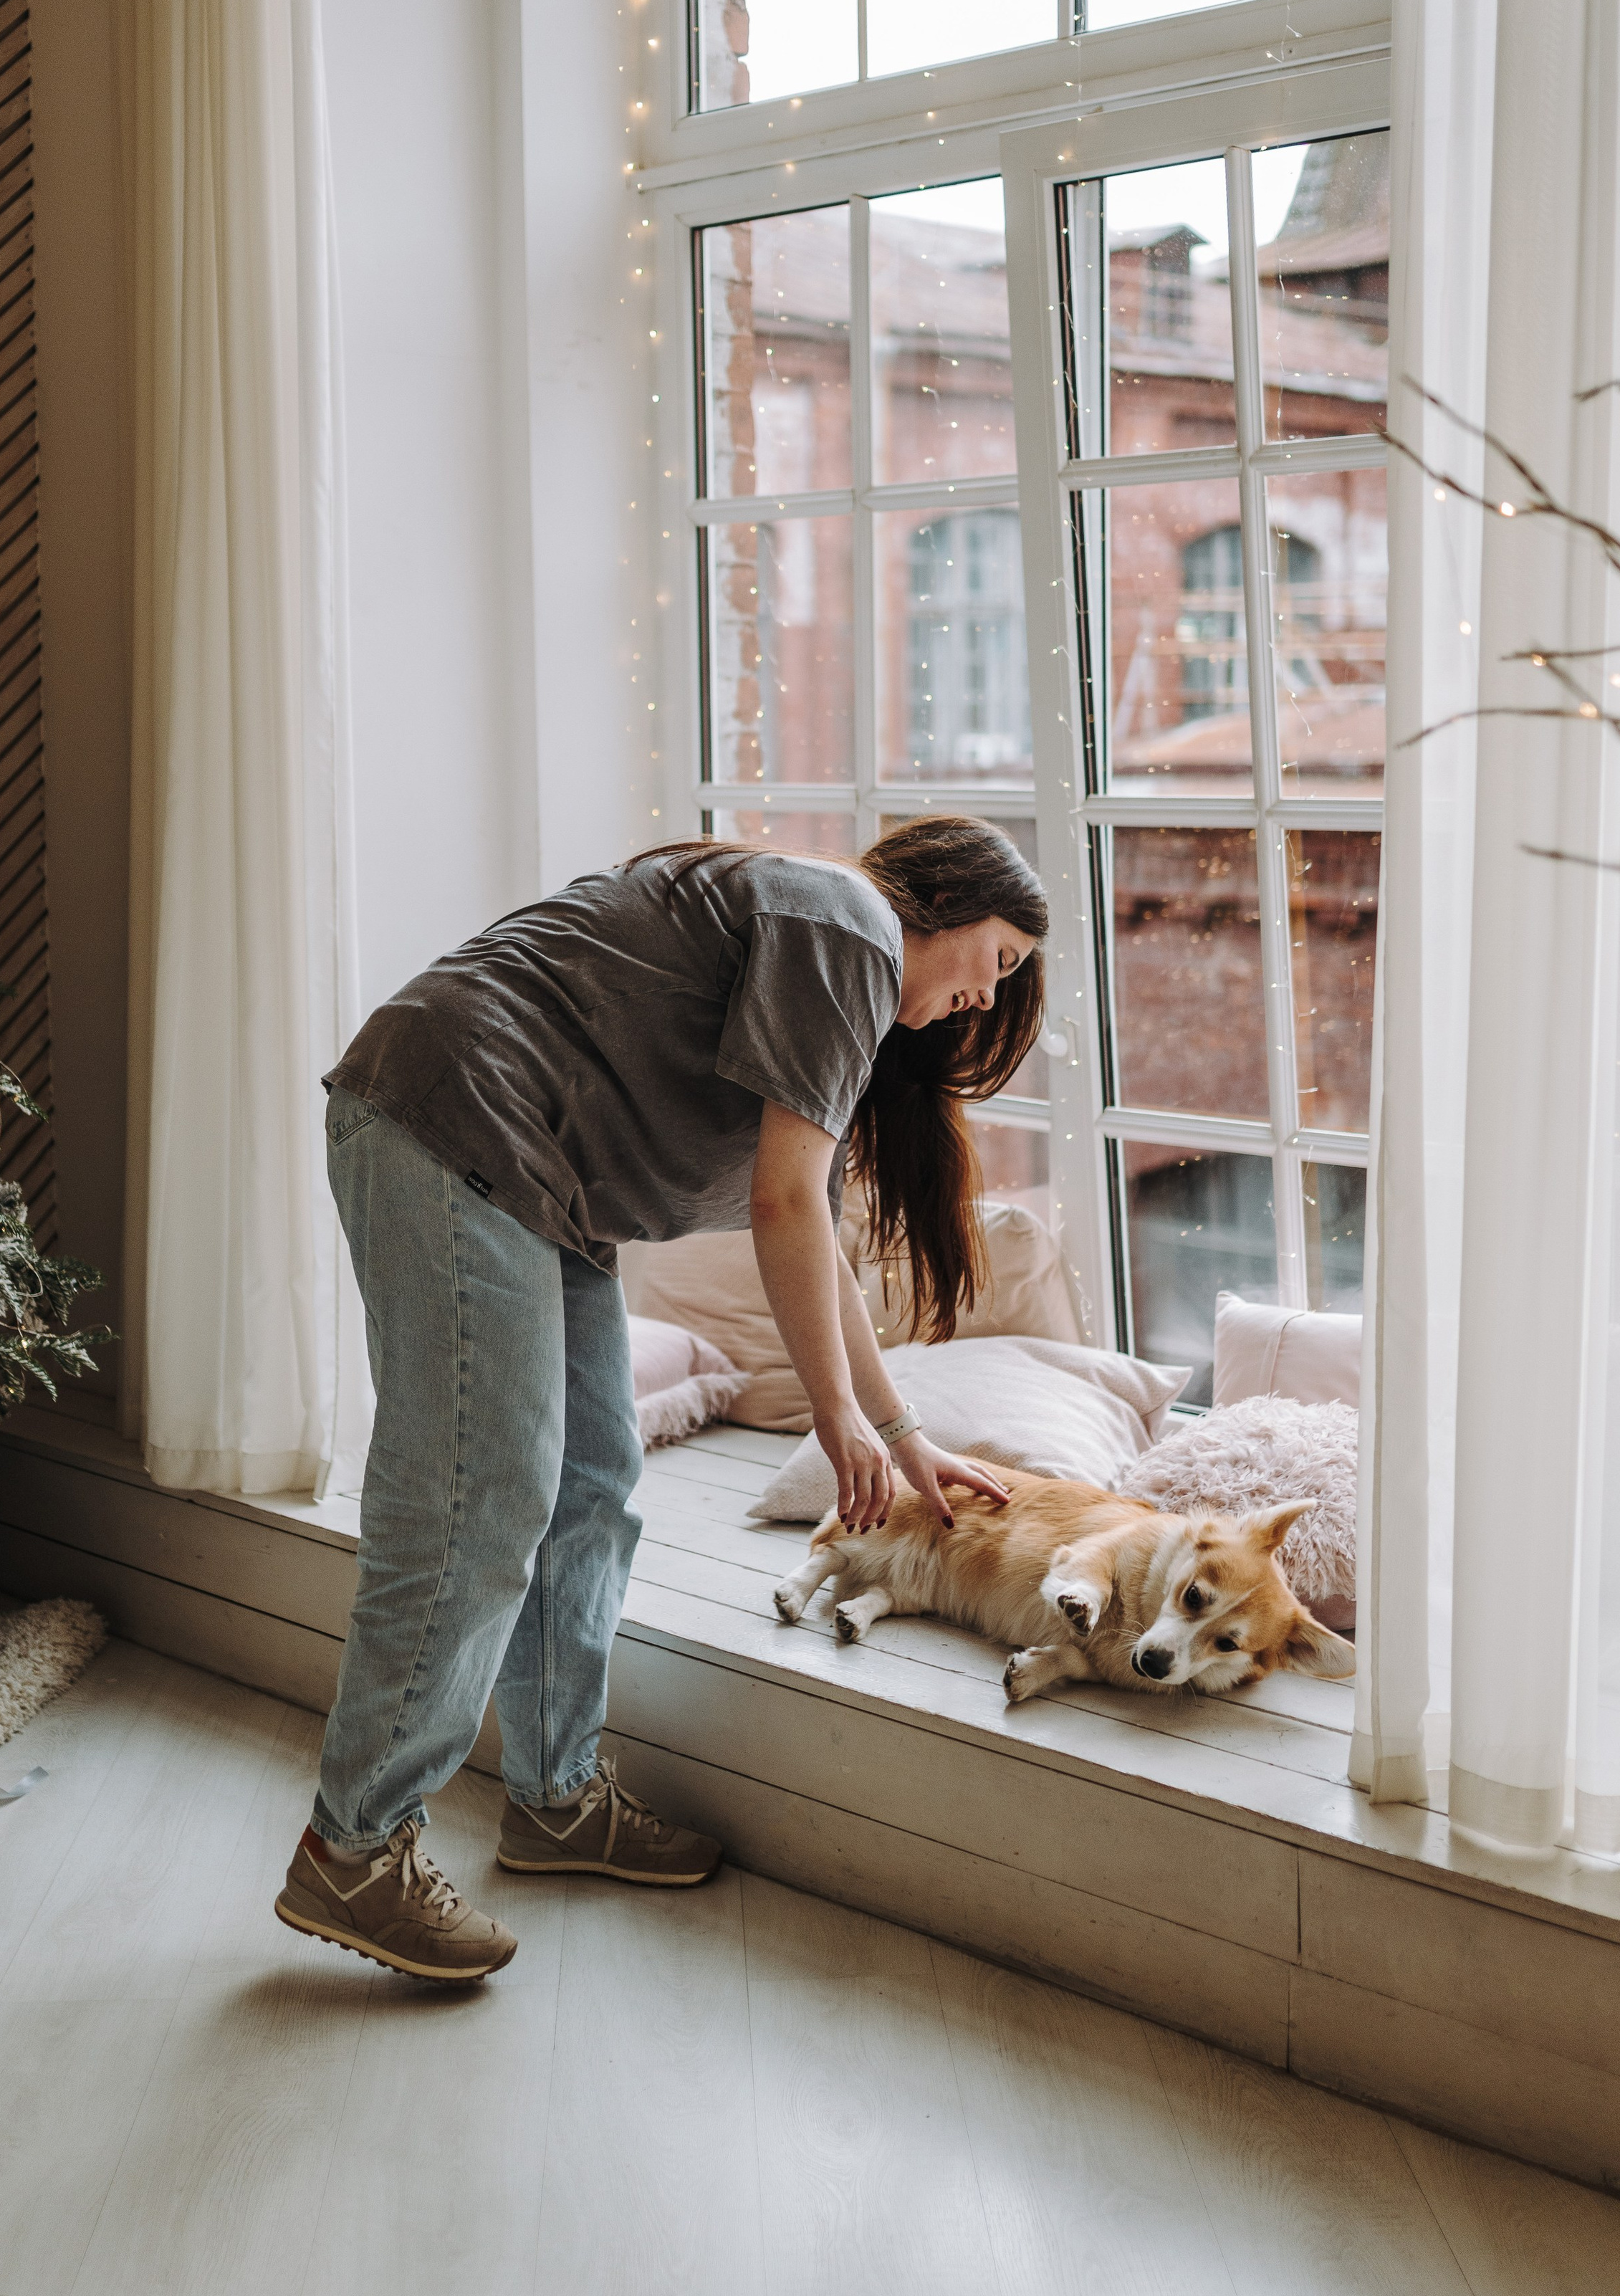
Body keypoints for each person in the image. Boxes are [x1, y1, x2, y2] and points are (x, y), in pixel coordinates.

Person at [274, 815, 1048, 1981]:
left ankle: (555, 1796)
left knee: (593, 1484)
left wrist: (900, 1432)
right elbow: (782, 1209)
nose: (985, 1003)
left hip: (542, 1186)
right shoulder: (850, 926)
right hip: (451, 1120)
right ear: (941, 903)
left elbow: (822, 1246)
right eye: (995, 964)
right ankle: (356, 1845)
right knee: (478, 1498)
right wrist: (835, 1422)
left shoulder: (832, 991)